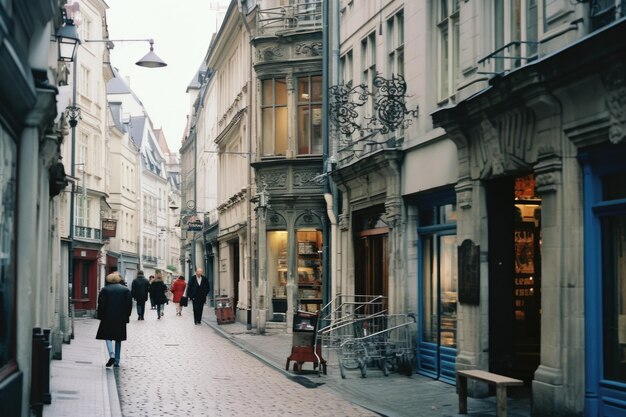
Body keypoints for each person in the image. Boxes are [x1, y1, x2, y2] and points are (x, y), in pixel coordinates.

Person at [96, 271, 132, 368]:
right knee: (118, 338)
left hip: (107, 316)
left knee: (108, 336)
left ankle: (111, 354)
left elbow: (101, 305)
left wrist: (100, 316)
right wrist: (127, 316)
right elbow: (129, 305)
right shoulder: (125, 290)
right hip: (121, 317)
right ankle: (117, 360)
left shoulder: (105, 290)